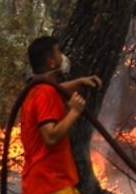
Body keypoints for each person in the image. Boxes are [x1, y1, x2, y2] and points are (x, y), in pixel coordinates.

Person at [20, 36, 102, 194]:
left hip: (42, 184)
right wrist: (75, 112)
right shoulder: (45, 93)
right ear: (51, 62)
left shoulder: (36, 90)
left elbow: (56, 91)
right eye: (59, 52)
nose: (63, 57)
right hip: (51, 183)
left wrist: (80, 82)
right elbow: (50, 137)